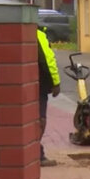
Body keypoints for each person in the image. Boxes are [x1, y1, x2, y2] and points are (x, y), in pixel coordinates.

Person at [37, 27, 61, 167]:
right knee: (40, 120)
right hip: (39, 85)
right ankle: (37, 154)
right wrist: (55, 83)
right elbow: (48, 60)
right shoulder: (39, 34)